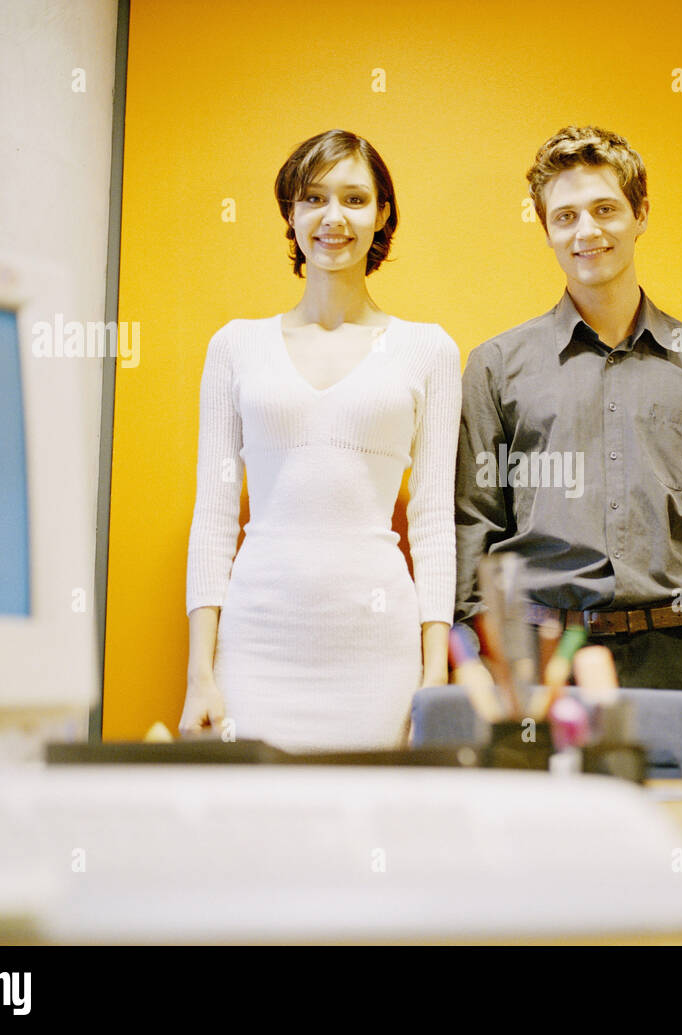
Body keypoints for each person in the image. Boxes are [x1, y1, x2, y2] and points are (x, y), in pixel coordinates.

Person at [454, 125, 682, 750]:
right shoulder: (496, 364)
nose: (587, 231)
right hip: (541, 661)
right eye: (565, 216)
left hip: (673, 656)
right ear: (545, 228)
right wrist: (477, 656)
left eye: (605, 209)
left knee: (676, 836)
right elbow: (475, 523)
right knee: (546, 842)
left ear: (640, 214)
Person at [180, 129, 461, 751]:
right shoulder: (235, 346)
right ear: (291, 212)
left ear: (382, 213)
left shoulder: (429, 350)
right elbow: (215, 515)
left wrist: (434, 671)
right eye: (313, 198)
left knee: (368, 833)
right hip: (256, 644)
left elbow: (435, 522)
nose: (334, 217)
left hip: (378, 650)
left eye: (355, 199)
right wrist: (200, 674)